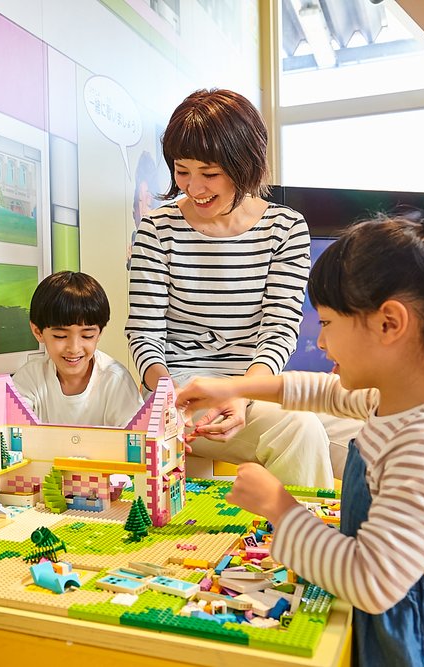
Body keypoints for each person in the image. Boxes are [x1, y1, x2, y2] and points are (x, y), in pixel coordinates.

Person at [175, 196, 424, 666]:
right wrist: (230, 386)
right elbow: (318, 391)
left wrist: (279, 506)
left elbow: (371, 582)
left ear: (389, 323)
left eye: (326, 323)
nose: (319, 341)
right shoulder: (396, 398)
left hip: (415, 633)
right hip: (405, 604)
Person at [125, 88, 334, 488]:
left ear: (245, 165)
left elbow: (279, 329)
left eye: (209, 173)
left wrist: (241, 393)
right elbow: (144, 333)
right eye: (181, 170)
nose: (194, 187)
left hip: (252, 390)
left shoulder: (286, 229)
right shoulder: (156, 229)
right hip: (178, 397)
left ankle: (323, 546)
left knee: (335, 432)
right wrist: (169, 397)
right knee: (302, 431)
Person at [13, 271, 142, 427]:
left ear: (99, 333)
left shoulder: (115, 380)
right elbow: (13, 433)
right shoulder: (29, 379)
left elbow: (136, 440)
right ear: (38, 332)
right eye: (60, 336)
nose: (74, 348)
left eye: (87, 336)